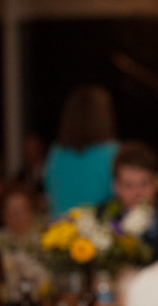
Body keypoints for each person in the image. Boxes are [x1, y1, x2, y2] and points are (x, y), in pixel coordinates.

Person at [97, 141, 158, 262]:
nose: (137, 193)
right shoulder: (103, 218)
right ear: (116, 187)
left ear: (157, 182)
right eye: (128, 185)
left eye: (144, 184)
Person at [43, 85, 118, 217]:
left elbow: (49, 192)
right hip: (97, 232)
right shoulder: (112, 152)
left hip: (60, 231)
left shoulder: (56, 152)